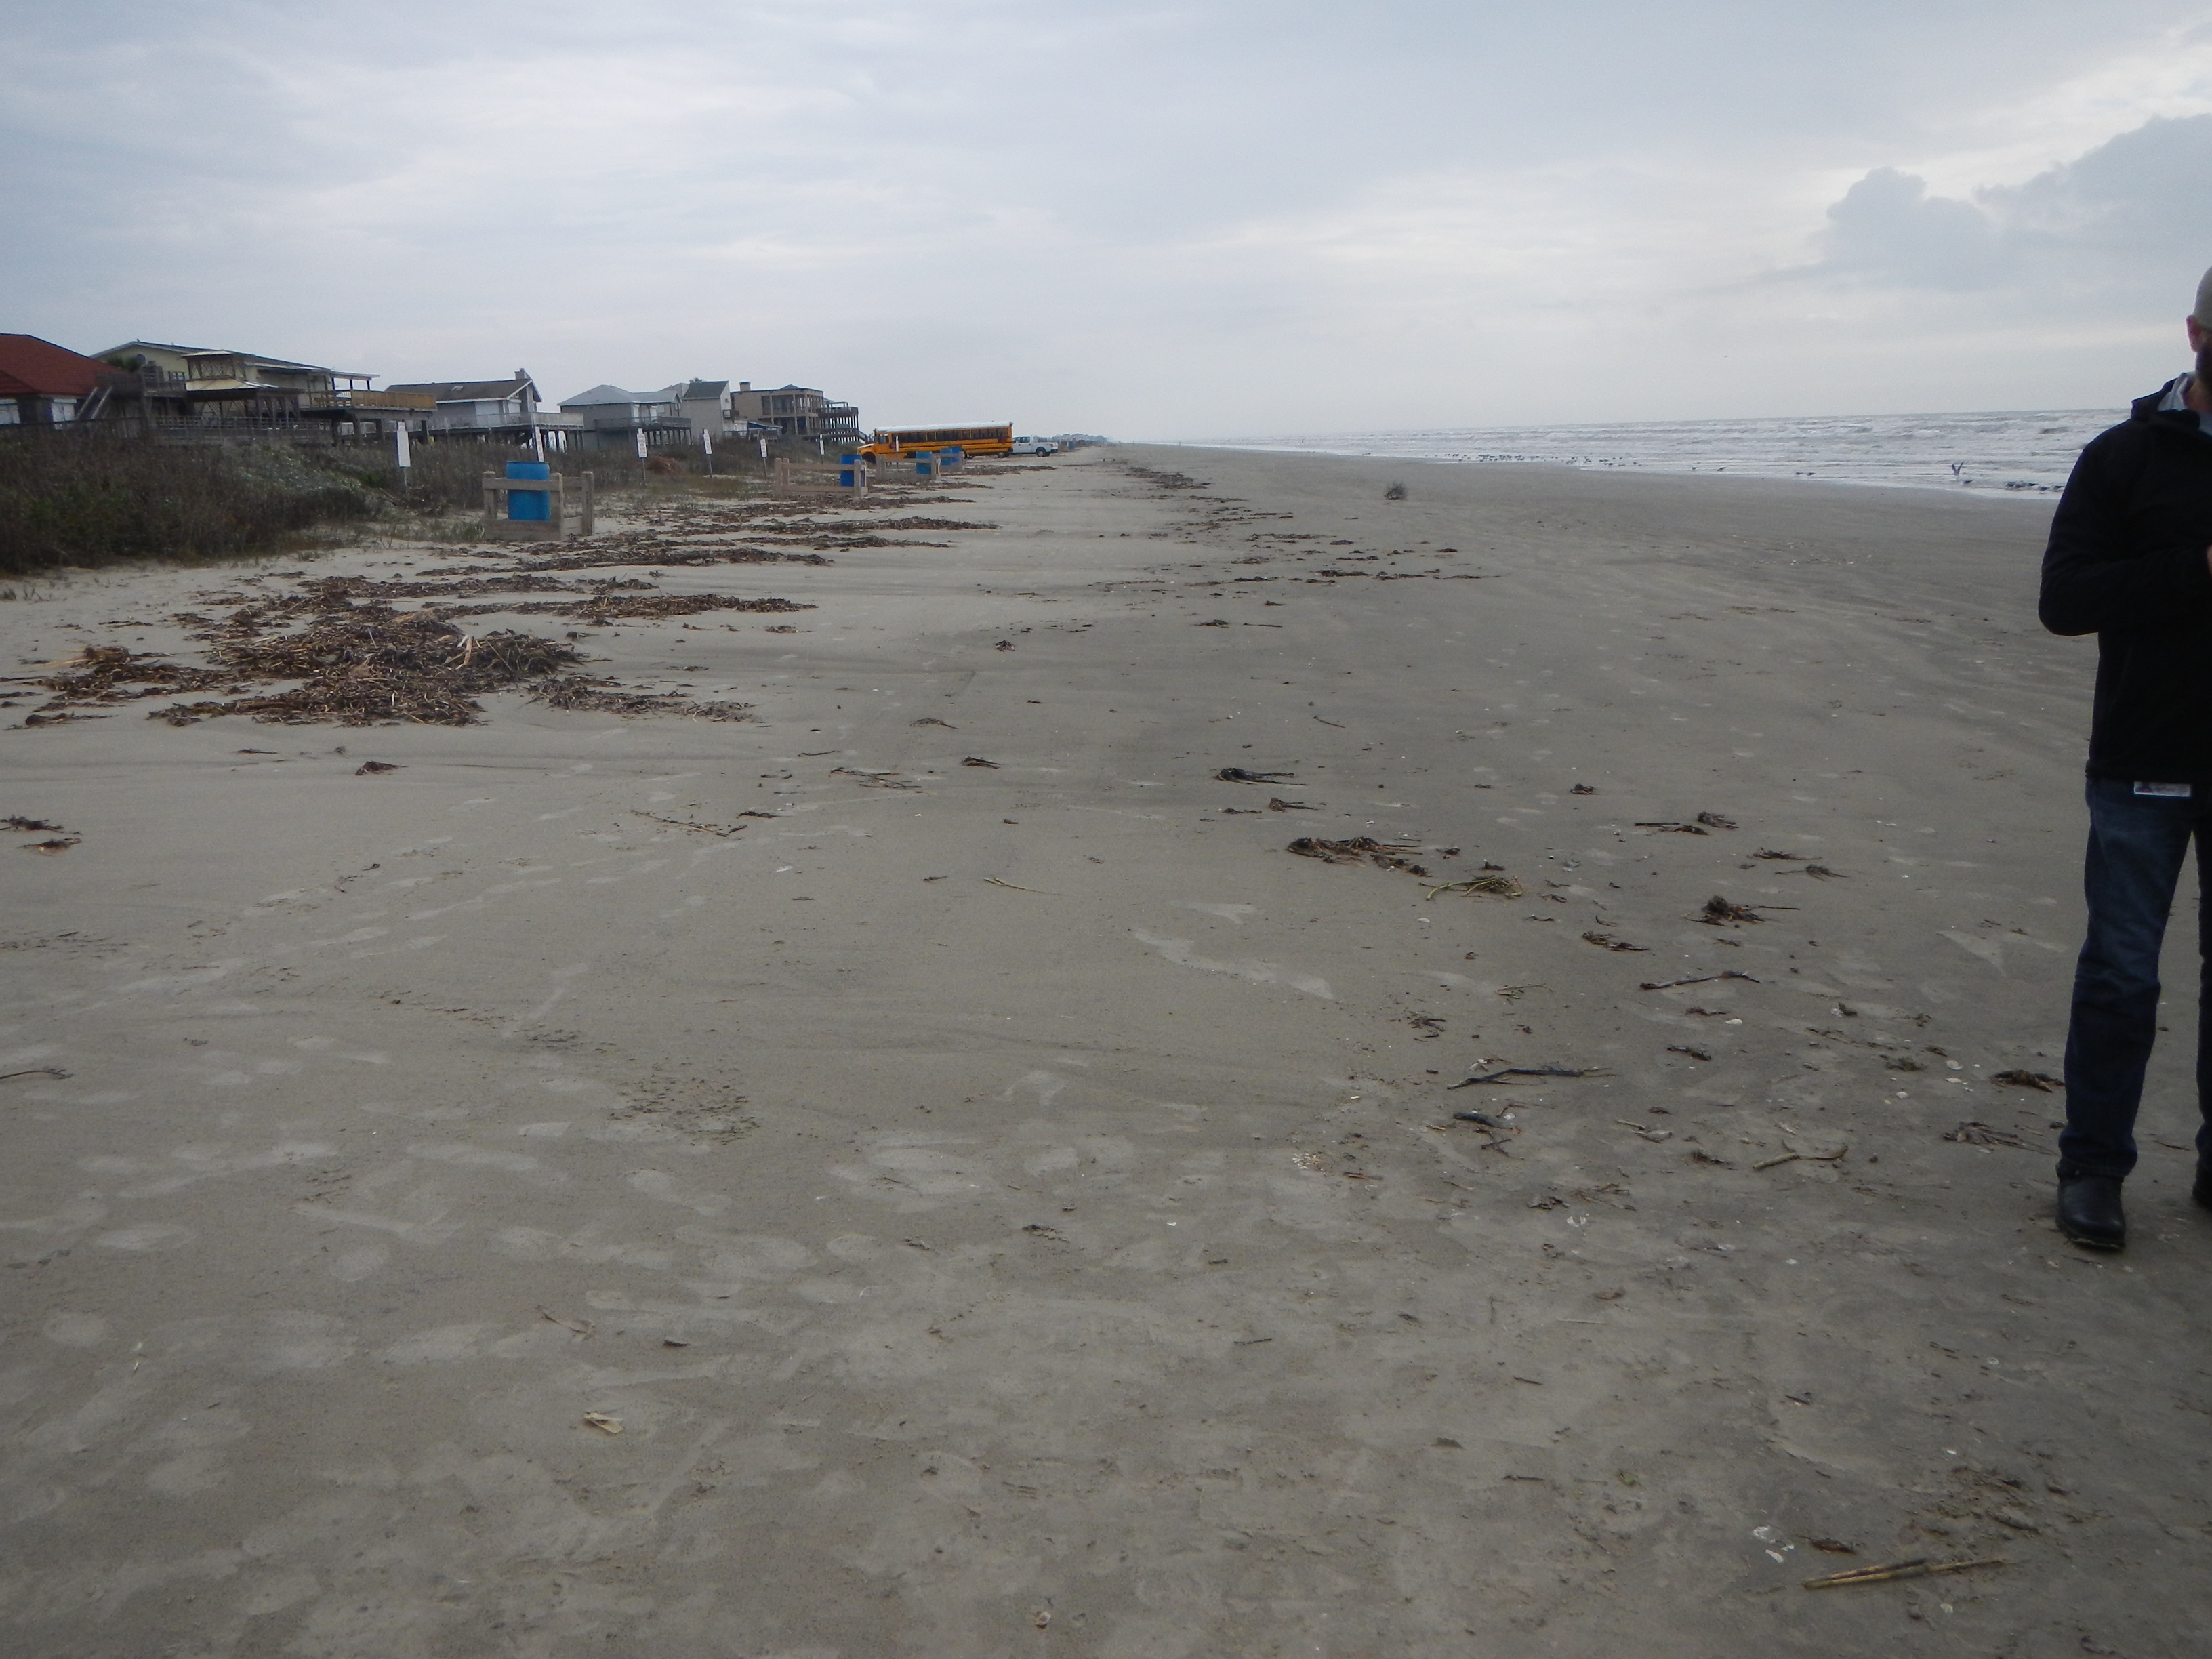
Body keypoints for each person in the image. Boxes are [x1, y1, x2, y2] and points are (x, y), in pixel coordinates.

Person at [2039, 264, 2212, 1249]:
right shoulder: (2123, 457)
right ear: (2196, 334)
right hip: (2145, 755)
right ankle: (2094, 1167)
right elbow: (2064, 601)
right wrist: (2196, 569)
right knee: (2121, 973)